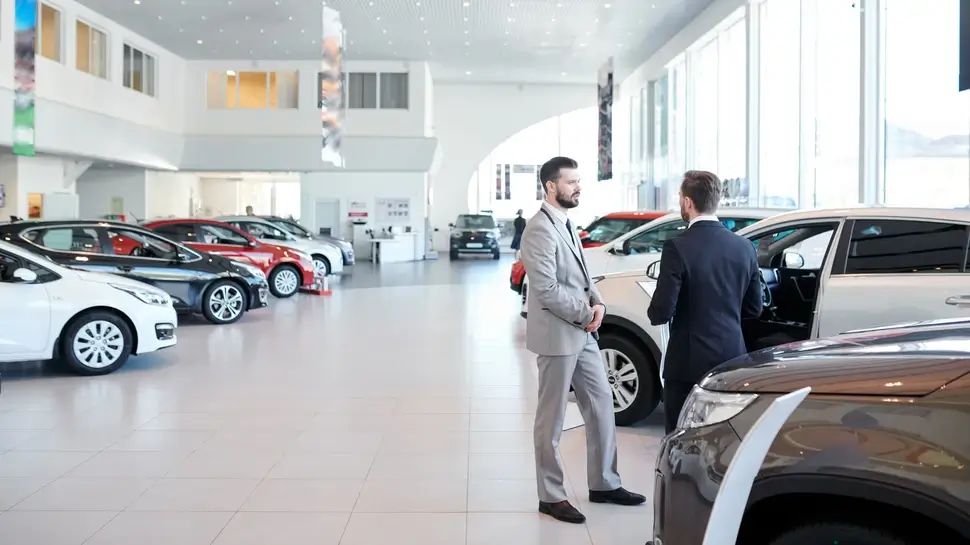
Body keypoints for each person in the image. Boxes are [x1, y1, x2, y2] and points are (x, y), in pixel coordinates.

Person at [519, 156, 645, 524]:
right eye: (571, 182)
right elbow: (545, 289)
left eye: (578, 181)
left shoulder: (566, 223)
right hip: (559, 335)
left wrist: (599, 303)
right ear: (550, 186)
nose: (578, 187)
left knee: (602, 406)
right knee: (552, 419)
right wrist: (586, 313)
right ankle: (551, 495)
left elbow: (582, 278)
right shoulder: (539, 228)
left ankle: (604, 483)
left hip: (583, 333)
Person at [646, 170, 763, 434]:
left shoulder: (677, 247)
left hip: (687, 363)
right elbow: (754, 308)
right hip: (732, 357)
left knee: (681, 436)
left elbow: (662, 311)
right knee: (722, 436)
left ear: (687, 202)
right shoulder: (744, 247)